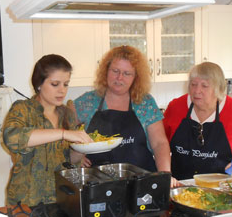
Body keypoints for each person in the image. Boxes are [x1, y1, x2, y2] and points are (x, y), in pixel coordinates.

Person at [2, 54, 92, 206]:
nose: (62, 91)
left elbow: (68, 160)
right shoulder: (23, 109)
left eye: (66, 84)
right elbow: (12, 138)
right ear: (38, 84)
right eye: (55, 84)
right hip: (26, 202)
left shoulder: (67, 114)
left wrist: (81, 150)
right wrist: (63, 133)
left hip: (61, 198)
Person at [74, 45, 172, 175]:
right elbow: (64, 133)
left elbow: (159, 143)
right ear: (106, 71)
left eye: (127, 73)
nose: (119, 78)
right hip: (98, 184)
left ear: (135, 77)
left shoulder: (145, 103)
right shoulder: (87, 102)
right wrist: (75, 157)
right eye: (115, 71)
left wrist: (165, 175)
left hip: (141, 181)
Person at [163, 62, 232, 180]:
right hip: (180, 186)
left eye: (204, 86)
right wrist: (164, 172)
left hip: (222, 187)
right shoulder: (175, 107)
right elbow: (160, 142)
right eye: (193, 84)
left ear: (218, 89)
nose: (197, 91)